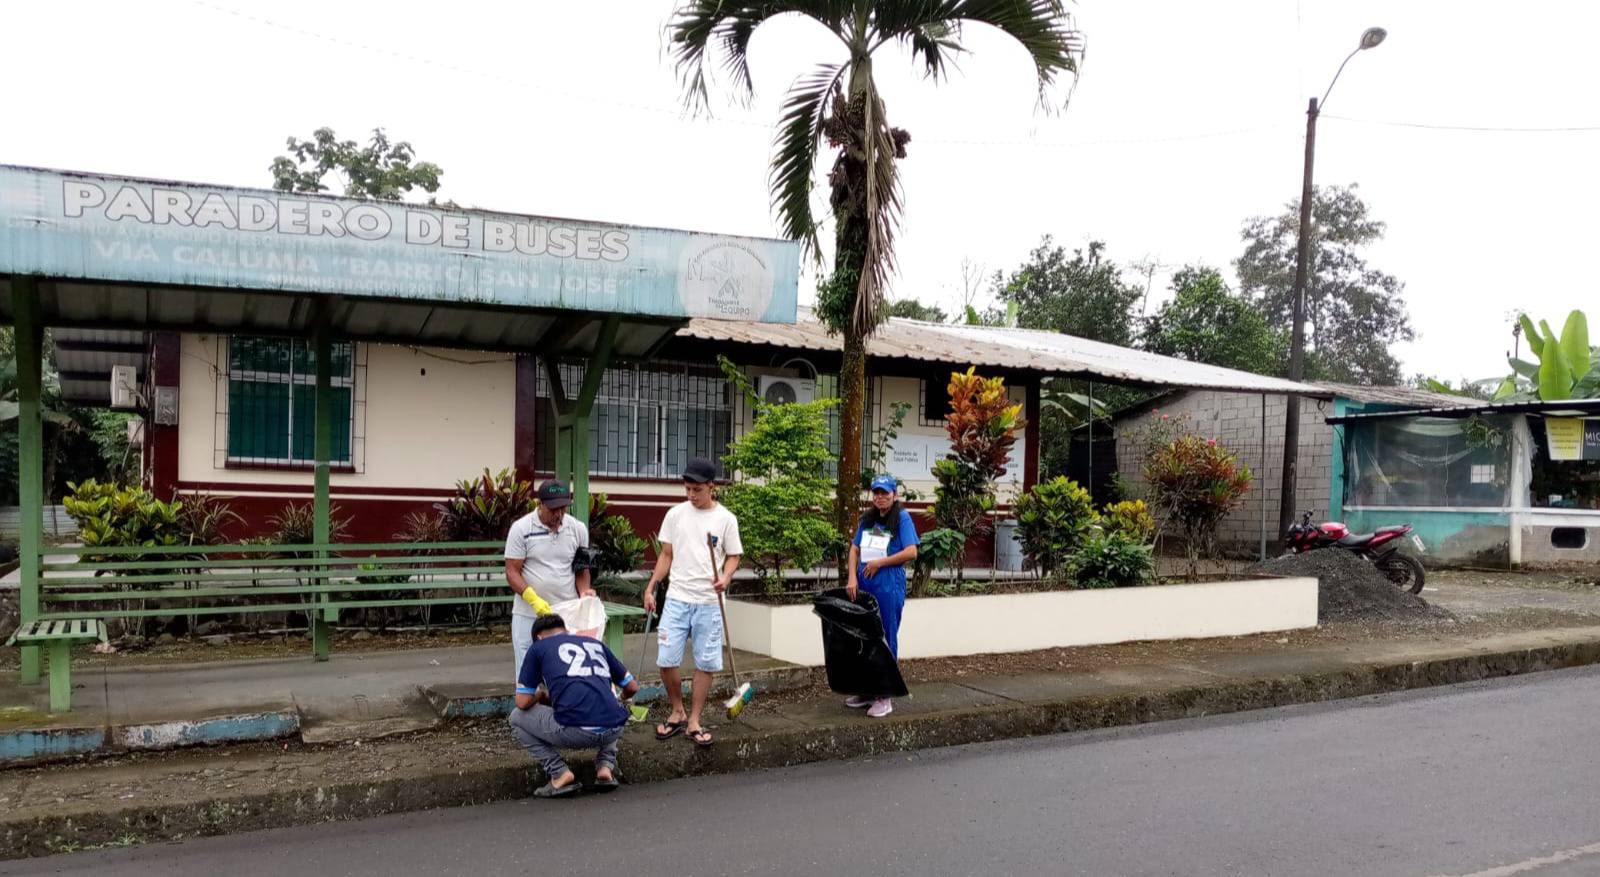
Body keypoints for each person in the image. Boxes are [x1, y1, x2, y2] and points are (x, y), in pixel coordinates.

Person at [643, 456, 741, 748]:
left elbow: (734, 556)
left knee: (706, 662)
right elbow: (666, 555)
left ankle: (694, 720)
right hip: (677, 597)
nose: (691, 495)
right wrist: (651, 586)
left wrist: (726, 577)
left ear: (711, 486)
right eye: (687, 489)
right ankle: (677, 710)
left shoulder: (726, 519)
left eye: (697, 490)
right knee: (666, 659)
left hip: (710, 600)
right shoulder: (675, 515)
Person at [509, 613, 640, 798]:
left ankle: (559, 773)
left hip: (576, 732)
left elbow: (522, 702)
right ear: (565, 630)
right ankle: (605, 767)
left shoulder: (538, 648)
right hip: (614, 728)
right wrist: (621, 698)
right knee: (610, 704)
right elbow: (632, 687)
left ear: (538, 637)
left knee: (516, 717)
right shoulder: (595, 643)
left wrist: (540, 695)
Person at [845, 474, 919, 718]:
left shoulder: (902, 518)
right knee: (864, 637)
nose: (880, 497)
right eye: (876, 493)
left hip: (888, 585)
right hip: (866, 584)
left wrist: (880, 563)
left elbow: (911, 552)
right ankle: (867, 690)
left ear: (894, 495)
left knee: (885, 636)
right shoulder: (869, 518)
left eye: (885, 493)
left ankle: (885, 695)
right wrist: (852, 577)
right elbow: (854, 548)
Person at [504, 479, 593, 678]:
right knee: (528, 672)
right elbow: (512, 571)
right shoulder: (521, 529)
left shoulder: (577, 529)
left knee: (565, 671)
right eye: (553, 509)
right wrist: (532, 598)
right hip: (529, 613)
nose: (558, 514)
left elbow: (581, 568)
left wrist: (584, 592)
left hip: (566, 613)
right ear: (540, 504)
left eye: (563, 508)